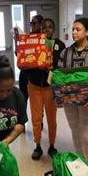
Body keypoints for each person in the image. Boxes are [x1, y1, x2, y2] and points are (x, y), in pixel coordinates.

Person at [57, 17, 88, 163]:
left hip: (87, 99)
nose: (74, 32)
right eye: (73, 29)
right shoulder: (65, 53)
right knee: (75, 132)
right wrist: (58, 95)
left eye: (78, 29)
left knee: (86, 135)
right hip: (68, 99)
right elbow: (59, 75)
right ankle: (81, 163)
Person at [29, 18, 65, 160]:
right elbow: (25, 61)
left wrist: (53, 68)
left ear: (54, 29)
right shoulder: (34, 41)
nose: (47, 30)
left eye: (50, 27)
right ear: (40, 28)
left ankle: (51, 145)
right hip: (34, 85)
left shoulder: (60, 45)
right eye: (44, 27)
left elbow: (64, 65)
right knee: (36, 118)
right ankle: (37, 145)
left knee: (51, 117)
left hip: (51, 86)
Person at [18, 14, 44, 102]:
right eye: (31, 23)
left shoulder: (44, 38)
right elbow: (18, 54)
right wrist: (16, 41)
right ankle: (23, 115)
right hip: (25, 72)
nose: (32, 26)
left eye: (34, 23)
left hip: (37, 73)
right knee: (23, 98)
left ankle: (39, 115)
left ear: (41, 24)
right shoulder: (27, 37)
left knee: (38, 101)